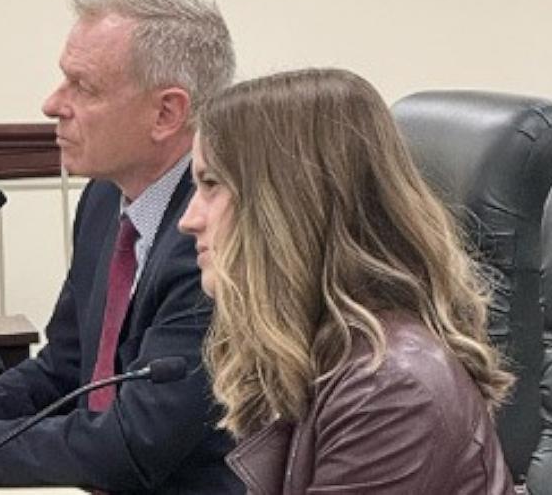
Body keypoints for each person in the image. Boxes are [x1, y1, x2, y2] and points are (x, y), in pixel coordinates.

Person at [0, 0, 244, 493]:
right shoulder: (105, 199)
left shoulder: (216, 239)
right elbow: (65, 371)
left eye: (83, 88)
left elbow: (132, 446)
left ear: (166, 113)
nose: (51, 103)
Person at [177, 68, 515, 494]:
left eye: (211, 185)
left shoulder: (390, 387)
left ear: (287, 205)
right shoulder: (318, 352)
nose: (189, 221)